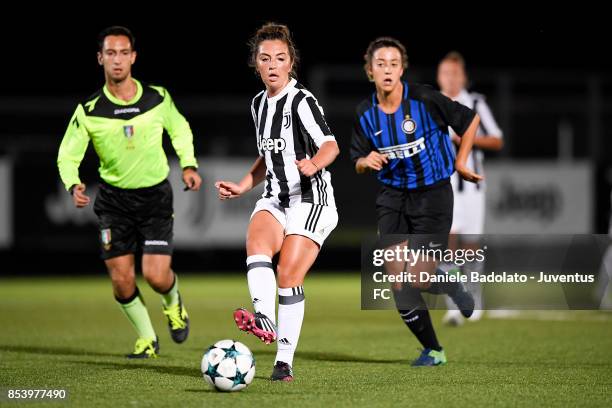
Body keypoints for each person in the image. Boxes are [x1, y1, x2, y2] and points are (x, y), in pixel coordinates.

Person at [57, 26, 202, 359]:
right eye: (110, 53)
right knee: (121, 281)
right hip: (113, 202)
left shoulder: (157, 98)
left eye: (123, 53)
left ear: (133, 57)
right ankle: (147, 339)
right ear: (100, 59)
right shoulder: (89, 110)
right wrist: (73, 183)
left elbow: (179, 128)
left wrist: (189, 165)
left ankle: (173, 302)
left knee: (155, 275)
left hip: (154, 197)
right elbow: (68, 154)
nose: (117, 60)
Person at [215, 23, 339, 381]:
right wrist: (242, 185)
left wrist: (314, 163)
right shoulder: (258, 104)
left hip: (312, 200)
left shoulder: (302, 101)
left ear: (291, 63)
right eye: (265, 58)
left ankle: (282, 360)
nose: (272, 65)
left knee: (288, 275)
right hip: (275, 196)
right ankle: (264, 318)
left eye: (280, 58)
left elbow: (330, 145)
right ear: (255, 63)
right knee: (256, 243)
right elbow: (266, 157)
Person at [350, 37, 481, 366]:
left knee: (419, 277)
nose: (388, 69)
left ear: (402, 69)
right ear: (370, 72)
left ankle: (449, 282)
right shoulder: (365, 113)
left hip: (433, 196)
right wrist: (366, 161)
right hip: (392, 198)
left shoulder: (423, 98)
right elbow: (357, 159)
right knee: (398, 280)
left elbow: (470, 121)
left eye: (394, 64)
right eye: (380, 64)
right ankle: (434, 350)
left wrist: (462, 162)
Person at [436, 51, 504, 325]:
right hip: (442, 187)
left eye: (455, 73)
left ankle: (475, 298)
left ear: (463, 76)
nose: (450, 78)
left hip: (472, 188)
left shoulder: (475, 103)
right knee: (448, 245)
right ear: (439, 76)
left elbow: (496, 140)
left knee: (471, 246)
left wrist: (466, 138)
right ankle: (455, 304)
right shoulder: (432, 103)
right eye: (445, 73)